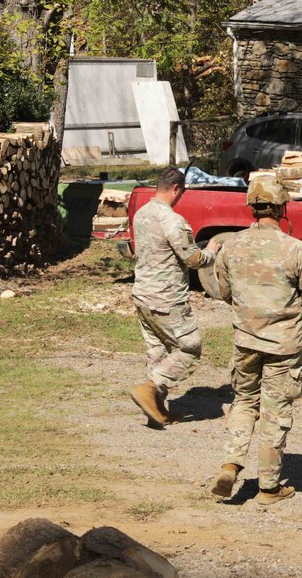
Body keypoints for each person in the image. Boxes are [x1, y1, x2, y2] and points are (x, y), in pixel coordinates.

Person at [208, 175, 302, 506]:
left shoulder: (230, 246)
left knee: (244, 402)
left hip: (245, 341)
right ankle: (269, 487)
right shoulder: (297, 250)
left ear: (252, 209)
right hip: (284, 347)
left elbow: (225, 292)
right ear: (282, 208)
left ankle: (230, 466)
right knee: (274, 412)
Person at [129, 167, 216, 426]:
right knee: (190, 348)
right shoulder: (173, 221)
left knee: (157, 351)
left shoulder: (142, 214)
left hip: (143, 294)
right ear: (177, 189)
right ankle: (152, 387)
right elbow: (193, 258)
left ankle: (156, 411)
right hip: (167, 299)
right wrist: (211, 251)